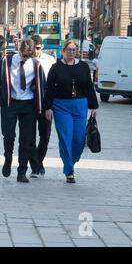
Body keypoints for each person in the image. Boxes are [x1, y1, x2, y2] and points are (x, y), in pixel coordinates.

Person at [43, 40, 98, 183]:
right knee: (65, 137)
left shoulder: (84, 67)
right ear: (63, 51)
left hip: (80, 105)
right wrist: (47, 107)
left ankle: (71, 162)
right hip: (61, 106)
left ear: (77, 51)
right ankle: (69, 170)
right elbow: (49, 89)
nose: (71, 52)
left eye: (74, 50)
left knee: (79, 140)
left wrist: (94, 106)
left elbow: (89, 87)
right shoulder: (56, 68)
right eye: (69, 49)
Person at [0, 38, 45, 183]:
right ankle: (7, 158)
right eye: (24, 55)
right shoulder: (6, 61)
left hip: (28, 105)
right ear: (19, 50)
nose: (26, 58)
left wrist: (41, 105)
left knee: (26, 140)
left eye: (29, 55)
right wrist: (0, 101)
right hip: (10, 104)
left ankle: (22, 171)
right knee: (9, 137)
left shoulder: (36, 64)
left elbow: (42, 85)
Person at [30, 35, 56, 177]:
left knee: (45, 137)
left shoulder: (50, 61)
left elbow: (54, 83)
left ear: (42, 47)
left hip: (46, 103)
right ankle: (34, 165)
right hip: (29, 103)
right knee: (29, 137)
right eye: (33, 48)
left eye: (38, 48)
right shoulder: (26, 60)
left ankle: (39, 161)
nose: (35, 51)